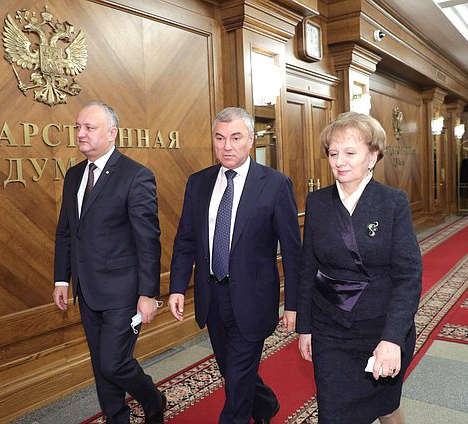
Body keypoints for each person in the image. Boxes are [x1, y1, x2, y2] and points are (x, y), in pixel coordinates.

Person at [169, 107, 302, 424]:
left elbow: (293, 252)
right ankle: (266, 403)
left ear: (251, 140)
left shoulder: (274, 184)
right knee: (232, 371)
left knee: (237, 386)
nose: (227, 146)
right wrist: (176, 287)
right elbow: (186, 239)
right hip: (212, 297)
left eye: (236, 137)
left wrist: (294, 305)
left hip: (253, 299)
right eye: (220, 138)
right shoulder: (198, 183)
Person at [296, 111, 422, 424]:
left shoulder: (393, 202)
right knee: (334, 411)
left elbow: (408, 275)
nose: (339, 161)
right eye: (333, 153)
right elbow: (308, 265)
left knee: (385, 406)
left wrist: (392, 338)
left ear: (372, 156)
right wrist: (305, 326)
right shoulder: (317, 202)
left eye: (350, 152)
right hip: (331, 327)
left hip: (380, 325)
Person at [53, 102, 166, 424]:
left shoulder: (137, 176)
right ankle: (118, 418)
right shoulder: (74, 175)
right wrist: (62, 279)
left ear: (112, 133)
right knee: (100, 364)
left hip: (123, 292)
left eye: (89, 128)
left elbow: (148, 240)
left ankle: (153, 398)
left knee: (113, 363)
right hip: (86, 291)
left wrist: (148, 293)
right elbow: (66, 232)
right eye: (77, 127)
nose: (80, 133)